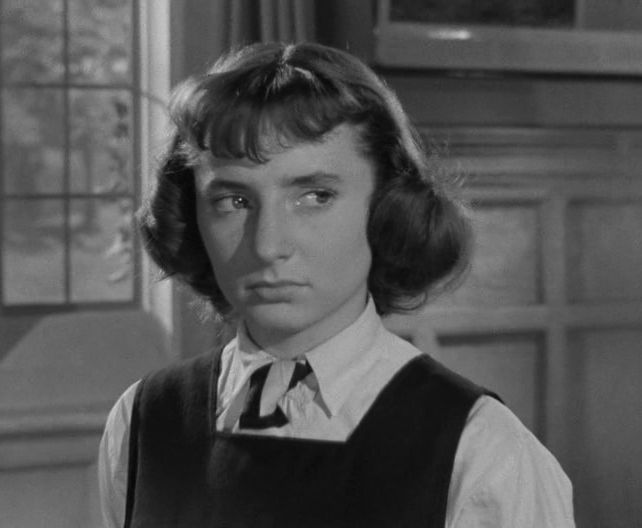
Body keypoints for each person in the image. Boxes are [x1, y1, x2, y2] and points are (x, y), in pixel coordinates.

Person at [98, 41, 575, 527]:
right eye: (234, 202)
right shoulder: (142, 423)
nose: (267, 245)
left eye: (315, 196)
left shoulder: (482, 453)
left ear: (386, 207)